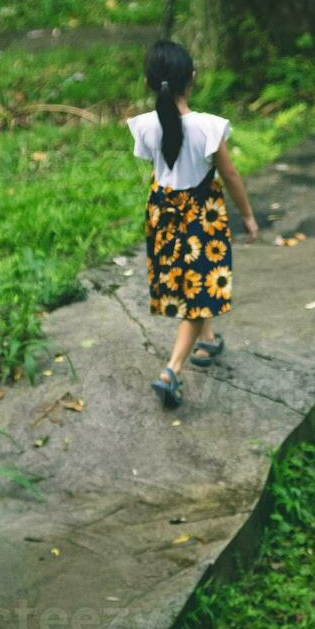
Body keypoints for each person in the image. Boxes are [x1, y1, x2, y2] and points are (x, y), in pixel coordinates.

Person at [127, 40, 258, 409]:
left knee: (188, 285)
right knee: (198, 298)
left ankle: (208, 341)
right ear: (192, 80)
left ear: (150, 82)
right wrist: (246, 214)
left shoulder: (146, 127)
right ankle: (171, 370)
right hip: (201, 218)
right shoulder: (208, 127)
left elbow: (159, 167)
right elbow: (230, 176)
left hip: (162, 216)